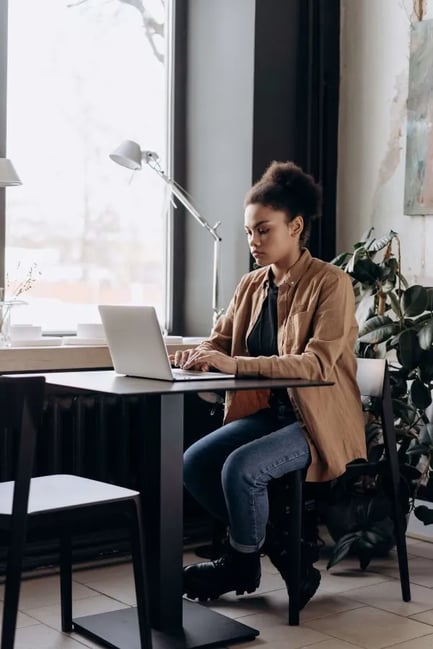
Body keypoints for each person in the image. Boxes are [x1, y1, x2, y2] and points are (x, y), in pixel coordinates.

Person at [172, 160, 366, 607]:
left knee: (240, 469)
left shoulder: (331, 283)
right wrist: (195, 356)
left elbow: (317, 365)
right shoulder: (249, 286)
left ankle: (240, 562)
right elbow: (219, 341)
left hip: (317, 421)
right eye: (248, 232)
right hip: (266, 415)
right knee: (195, 463)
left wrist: (233, 363)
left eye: (264, 230)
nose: (253, 242)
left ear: (295, 226)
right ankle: (282, 547)